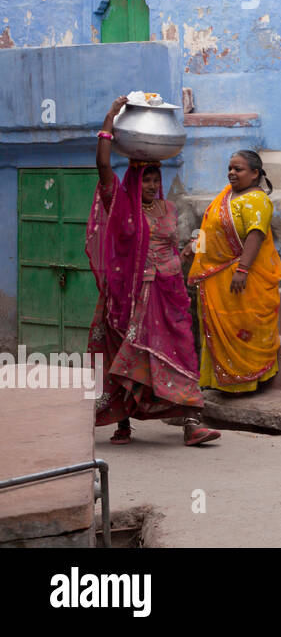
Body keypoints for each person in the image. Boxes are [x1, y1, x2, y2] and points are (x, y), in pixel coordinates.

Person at [87, 95, 221, 446]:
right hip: (129, 297)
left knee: (180, 351)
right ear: (135, 179)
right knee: (127, 355)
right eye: (145, 179)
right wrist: (109, 119)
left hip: (169, 294)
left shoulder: (168, 209)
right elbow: (103, 168)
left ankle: (192, 422)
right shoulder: (119, 203)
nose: (150, 185)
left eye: (154, 179)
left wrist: (186, 253)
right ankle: (123, 421)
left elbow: (166, 246)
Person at [188, 150, 281, 393]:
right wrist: (193, 249)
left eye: (238, 169)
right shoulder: (226, 196)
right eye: (230, 168)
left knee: (245, 327)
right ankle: (217, 380)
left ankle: (247, 381)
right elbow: (209, 227)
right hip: (216, 278)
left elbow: (256, 234)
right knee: (217, 330)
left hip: (244, 278)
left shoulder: (257, 200)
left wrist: (243, 269)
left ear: (254, 174)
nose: (231, 173)